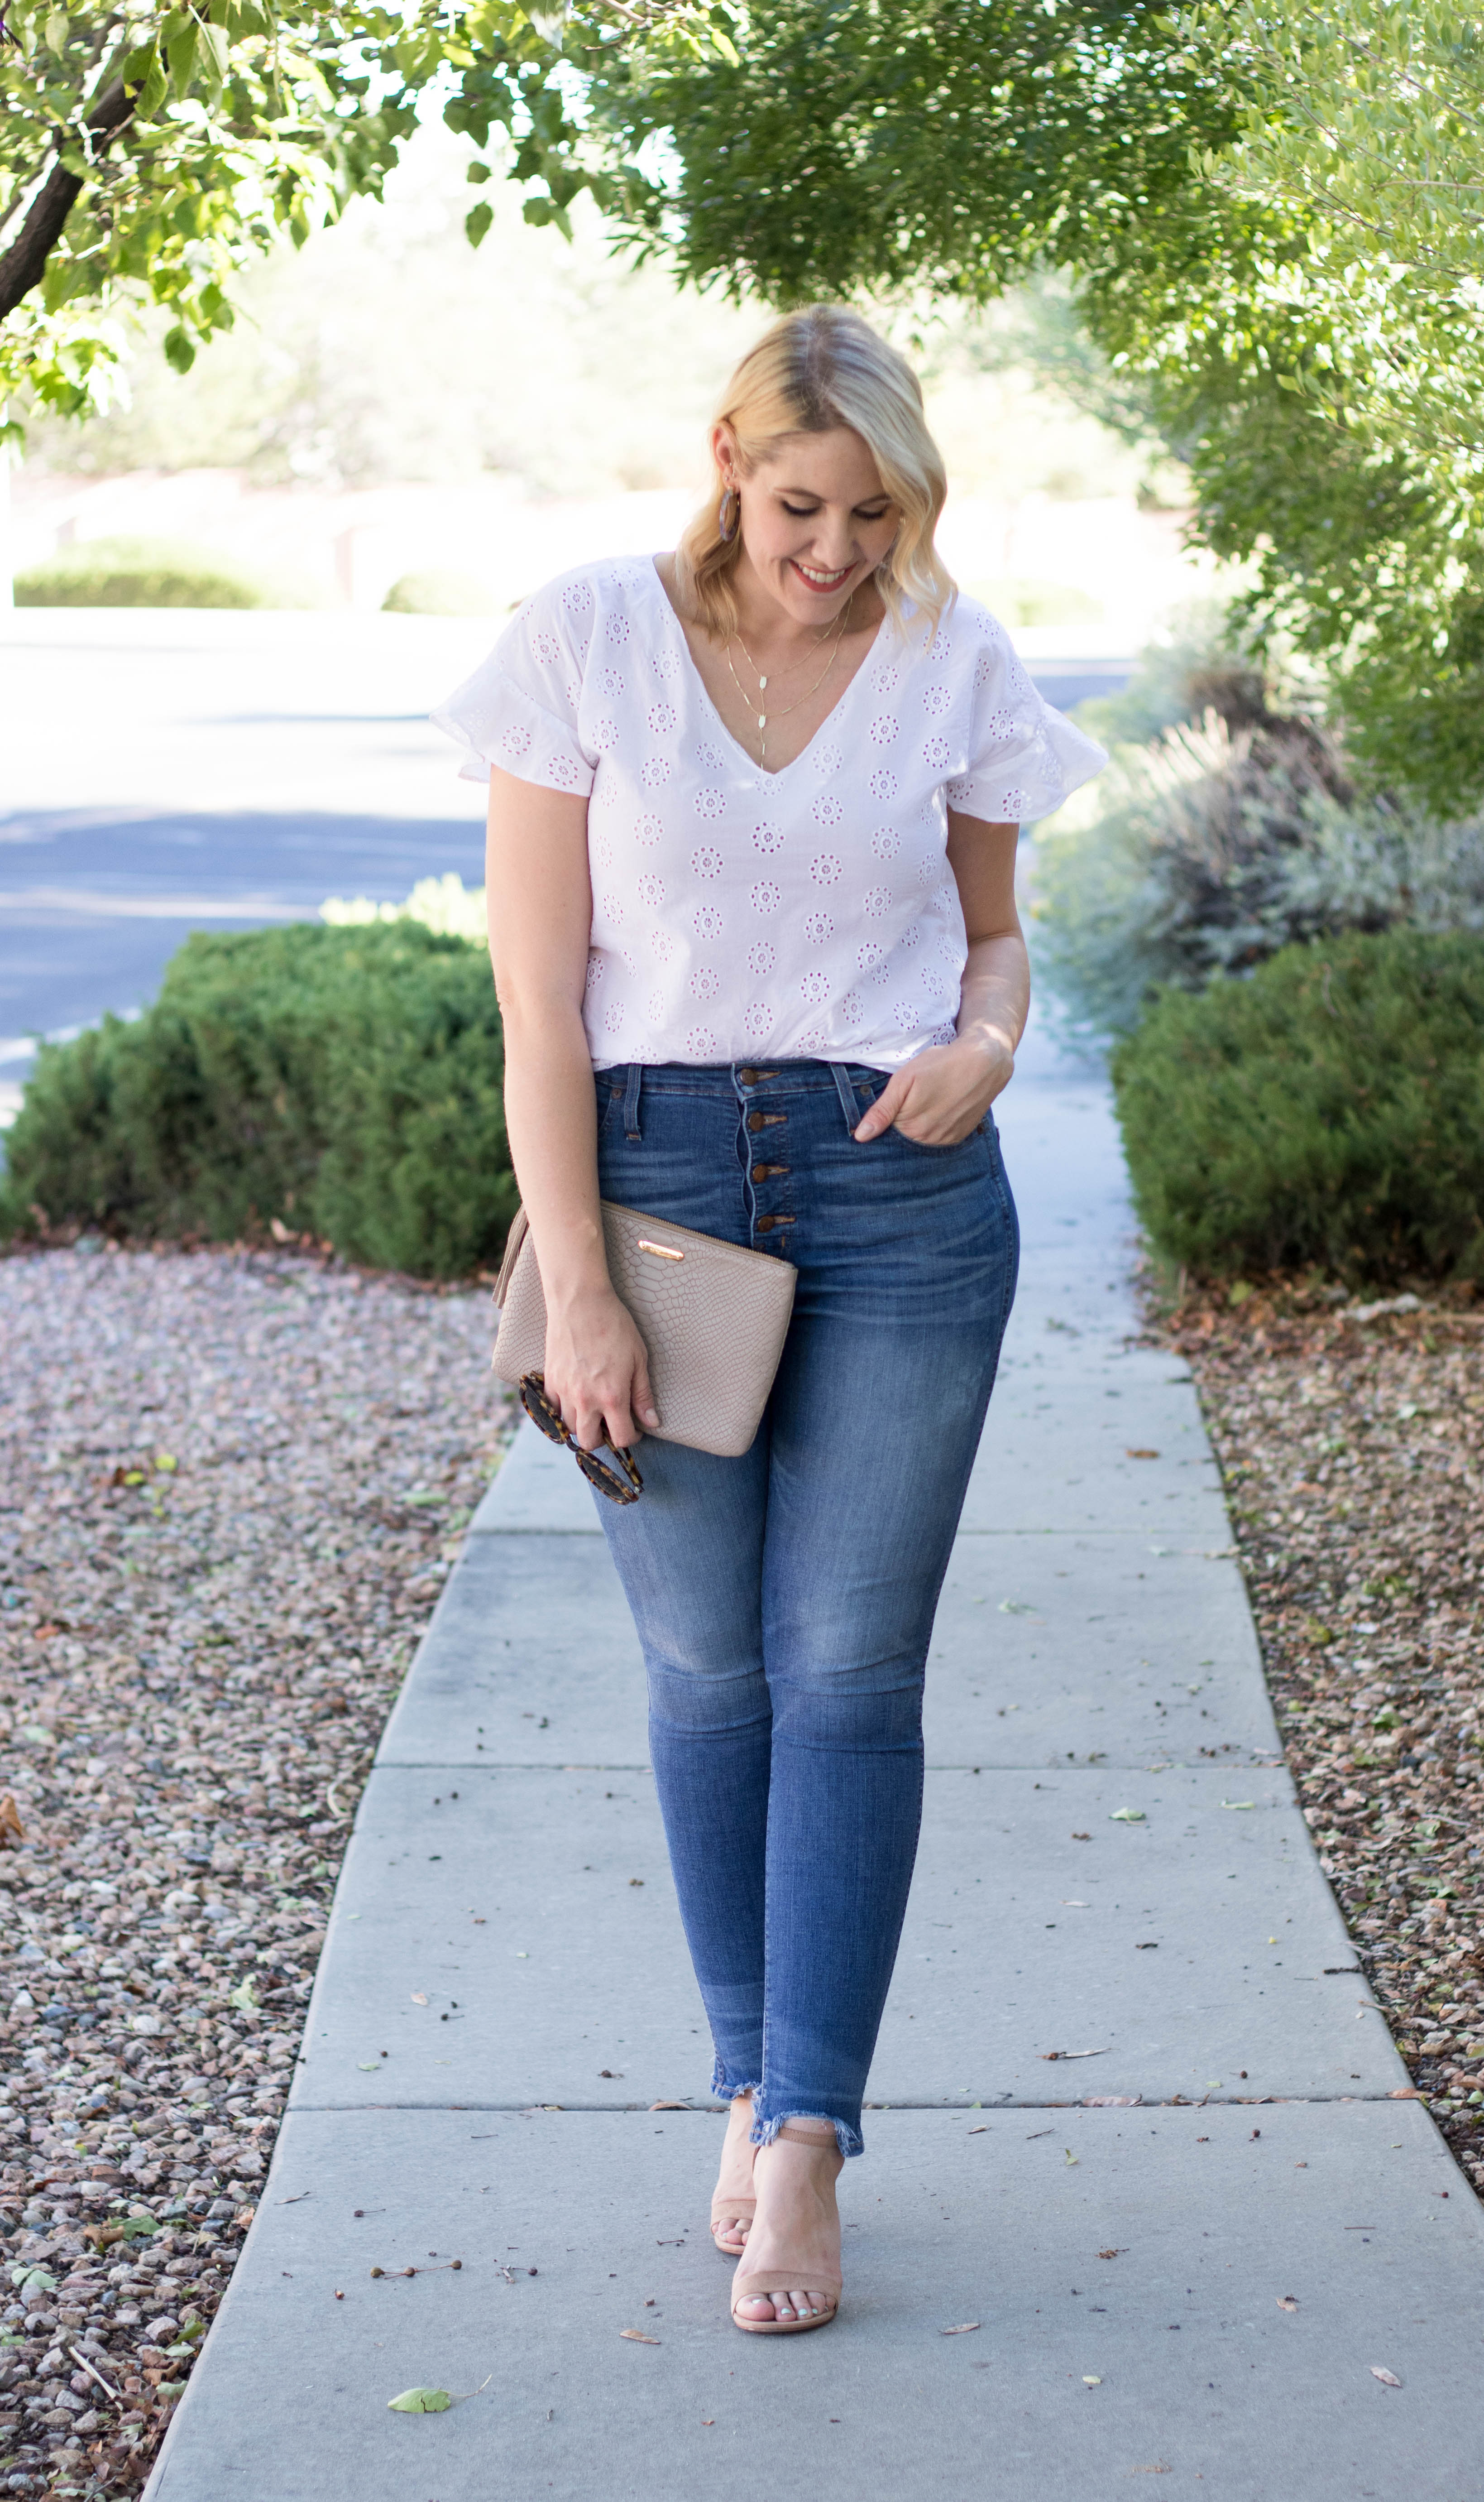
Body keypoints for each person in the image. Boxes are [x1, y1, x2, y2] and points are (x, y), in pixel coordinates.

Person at [434, 304, 1105, 2334]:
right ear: (727, 453)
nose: (834, 550)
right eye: (804, 502)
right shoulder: (579, 636)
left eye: (876, 513)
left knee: (845, 1666)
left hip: (899, 1184)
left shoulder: (950, 659)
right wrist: (580, 1285)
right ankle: (743, 2065)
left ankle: (807, 2124)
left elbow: (993, 944)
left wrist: (991, 1040)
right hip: (644, 1188)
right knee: (709, 1666)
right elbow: (537, 998)